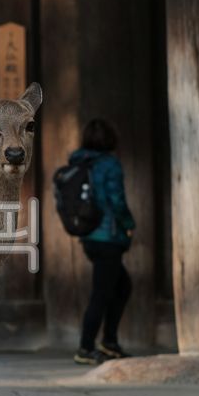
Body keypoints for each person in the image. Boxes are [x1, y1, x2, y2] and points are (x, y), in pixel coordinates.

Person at [70, 118, 136, 365]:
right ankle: (86, 348)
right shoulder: (110, 164)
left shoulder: (78, 162)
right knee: (102, 293)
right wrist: (129, 224)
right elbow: (117, 201)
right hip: (108, 236)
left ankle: (109, 342)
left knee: (122, 286)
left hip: (89, 236)